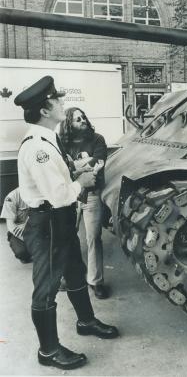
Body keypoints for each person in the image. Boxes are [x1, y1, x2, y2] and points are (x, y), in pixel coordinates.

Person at [14, 76, 119, 371]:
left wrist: (74, 167)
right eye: (57, 101)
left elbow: (56, 176)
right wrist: (81, 181)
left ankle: (86, 322)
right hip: (49, 220)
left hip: (58, 219)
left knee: (74, 271)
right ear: (45, 110)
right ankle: (48, 351)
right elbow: (59, 195)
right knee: (46, 287)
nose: (62, 104)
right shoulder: (39, 147)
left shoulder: (47, 139)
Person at [58, 107, 109, 299]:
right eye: (77, 119)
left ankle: (95, 281)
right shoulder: (62, 142)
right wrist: (83, 167)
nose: (83, 120)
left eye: (84, 117)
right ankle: (69, 277)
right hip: (70, 195)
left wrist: (74, 167)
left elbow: (98, 162)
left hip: (92, 195)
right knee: (67, 237)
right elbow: (62, 168)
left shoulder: (98, 139)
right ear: (69, 124)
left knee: (93, 238)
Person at [1, 187, 31, 263]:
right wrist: (29, 240)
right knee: (21, 252)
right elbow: (11, 226)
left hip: (34, 228)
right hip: (19, 233)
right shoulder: (12, 197)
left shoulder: (39, 193)